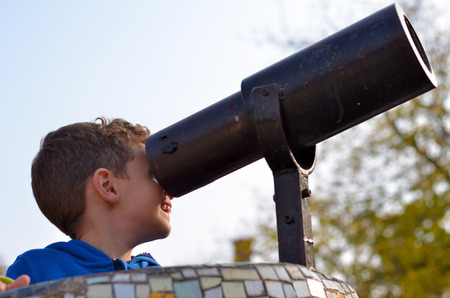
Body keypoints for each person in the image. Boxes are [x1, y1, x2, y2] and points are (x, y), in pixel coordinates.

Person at [0, 117, 173, 289]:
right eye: (153, 173)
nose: (170, 191)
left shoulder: (163, 278)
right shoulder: (37, 272)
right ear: (108, 186)